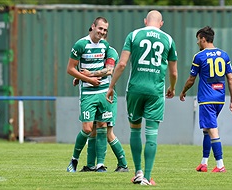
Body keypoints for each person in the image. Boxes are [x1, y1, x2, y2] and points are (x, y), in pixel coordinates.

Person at [106, 10, 178, 185]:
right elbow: (174, 72)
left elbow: (122, 64)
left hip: (135, 89)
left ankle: (137, 172)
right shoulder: (168, 39)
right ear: (161, 23)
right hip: (155, 91)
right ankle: (147, 176)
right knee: (152, 134)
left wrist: (111, 86)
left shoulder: (134, 35)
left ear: (145, 21)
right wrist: (173, 87)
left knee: (135, 130)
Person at [179, 26, 232, 173]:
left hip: (207, 99)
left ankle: (220, 165)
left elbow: (191, 80)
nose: (197, 43)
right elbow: (230, 79)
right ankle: (204, 163)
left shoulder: (199, 57)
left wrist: (183, 91)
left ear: (204, 39)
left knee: (212, 130)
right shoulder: (224, 55)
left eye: (198, 40)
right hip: (220, 98)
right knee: (206, 129)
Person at [73, 29, 129, 172]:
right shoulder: (92, 51)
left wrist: (87, 75)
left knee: (107, 131)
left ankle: (121, 164)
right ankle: (91, 165)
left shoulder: (111, 52)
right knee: (92, 131)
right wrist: (81, 77)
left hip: (107, 95)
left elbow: (109, 70)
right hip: (94, 95)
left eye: (104, 35)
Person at [66, 17, 113, 173]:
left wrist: (85, 76)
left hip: (103, 91)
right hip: (88, 92)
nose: (102, 32)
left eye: (105, 30)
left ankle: (100, 165)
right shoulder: (81, 44)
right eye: (100, 28)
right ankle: (74, 160)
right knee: (87, 129)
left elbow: (108, 68)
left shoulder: (105, 45)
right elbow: (70, 68)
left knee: (102, 126)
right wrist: (87, 79)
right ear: (93, 26)